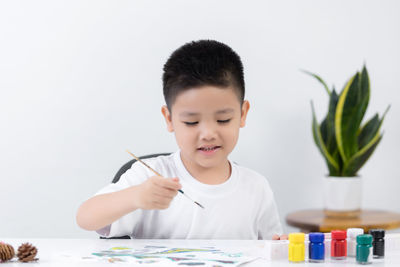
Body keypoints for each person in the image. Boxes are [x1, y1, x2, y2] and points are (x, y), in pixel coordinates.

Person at [76, 40, 287, 240]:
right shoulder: (149, 176)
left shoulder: (256, 187)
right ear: (169, 119)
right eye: (191, 122)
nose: (208, 133)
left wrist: (284, 245)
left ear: (243, 114)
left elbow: (272, 248)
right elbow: (85, 218)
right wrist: (136, 196)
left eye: (223, 119)